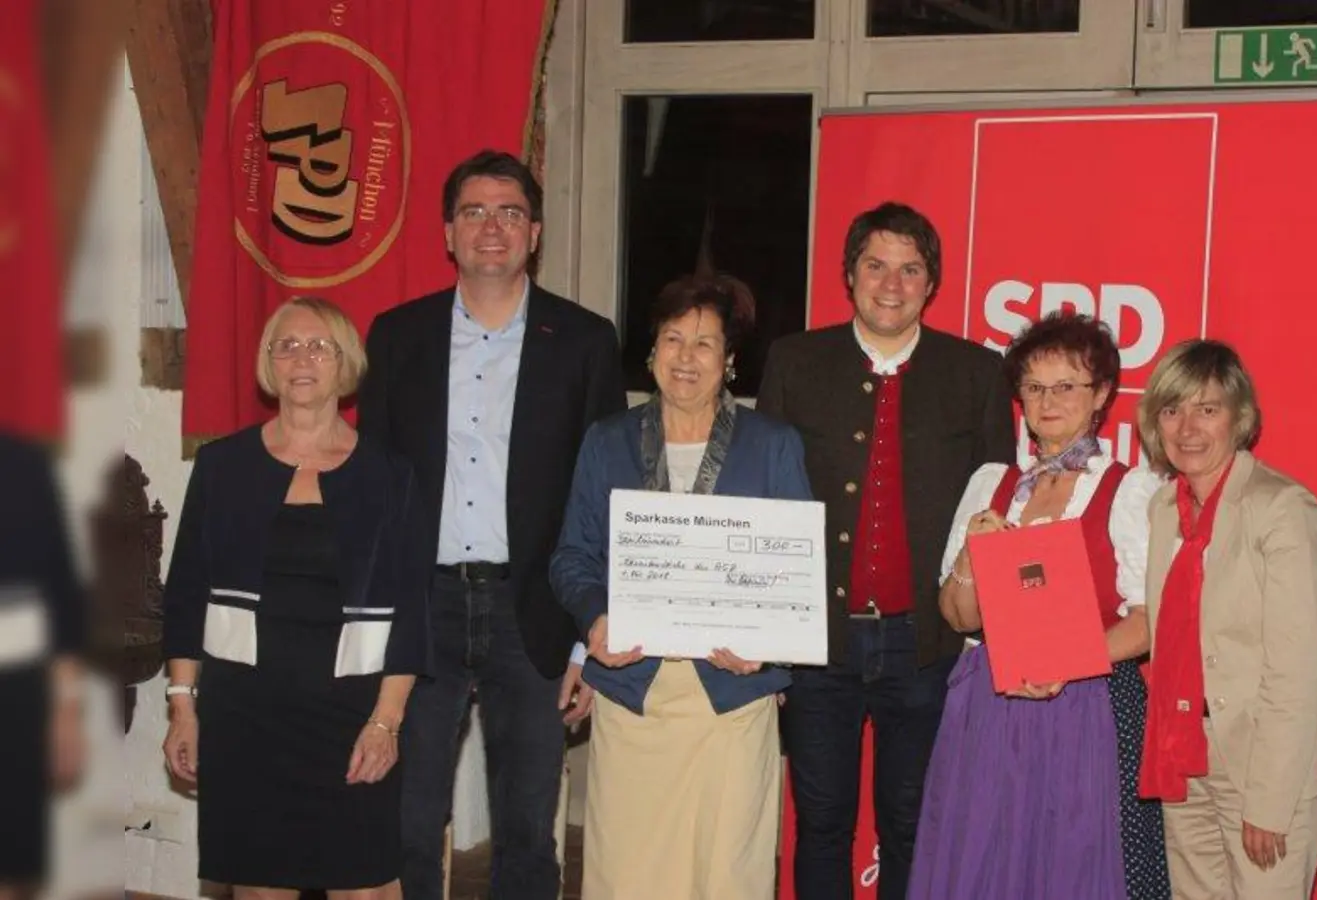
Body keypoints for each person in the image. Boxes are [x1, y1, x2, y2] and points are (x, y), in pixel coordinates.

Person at [358, 149, 626, 900]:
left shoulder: (583, 340)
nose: (491, 227)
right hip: (423, 611)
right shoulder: (397, 336)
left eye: (510, 212)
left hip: (532, 612)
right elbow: (373, 488)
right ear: (448, 233)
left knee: (526, 829)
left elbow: (603, 498)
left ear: (534, 232)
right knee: (406, 822)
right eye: (474, 211)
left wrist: (586, 637)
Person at [758, 201, 1015, 899]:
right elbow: (763, 501)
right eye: (876, 265)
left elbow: (999, 510)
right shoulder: (794, 361)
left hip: (924, 646)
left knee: (912, 824)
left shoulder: (977, 373)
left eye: (910, 269)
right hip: (820, 644)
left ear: (931, 284)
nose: (892, 284)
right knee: (822, 824)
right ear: (849, 275)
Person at [550, 272, 811, 899]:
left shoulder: (773, 445)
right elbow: (572, 556)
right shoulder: (608, 440)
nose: (686, 358)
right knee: (630, 874)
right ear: (651, 353)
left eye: (704, 344)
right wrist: (592, 625)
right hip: (633, 690)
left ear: (729, 362)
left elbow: (796, 573)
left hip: (731, 696)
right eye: (672, 340)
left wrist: (770, 644)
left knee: (726, 874)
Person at [160, 297, 431, 898]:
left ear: (345, 363)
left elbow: (412, 612)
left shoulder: (390, 475)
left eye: (318, 346)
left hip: (354, 718)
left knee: (367, 886)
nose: (301, 358)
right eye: (286, 345)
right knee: (262, 886)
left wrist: (386, 723)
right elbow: (187, 593)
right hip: (245, 721)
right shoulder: (222, 466)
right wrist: (183, 707)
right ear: (268, 364)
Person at [909, 312, 1170, 899]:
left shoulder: (1128, 489)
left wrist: (1066, 659)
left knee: (1073, 865)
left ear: (1101, 394)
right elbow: (959, 618)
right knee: (981, 862)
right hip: (988, 703)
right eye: (1034, 387)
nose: (1048, 401)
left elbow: (1149, 622)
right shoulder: (991, 483)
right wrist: (971, 560)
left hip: (1085, 708)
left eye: (1066, 386)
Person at [1136, 339, 1317, 899]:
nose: (1188, 428)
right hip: (1184, 751)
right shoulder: (1161, 510)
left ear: (1239, 417)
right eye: (1172, 410)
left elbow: (1296, 673)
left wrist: (1269, 802)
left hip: (1260, 765)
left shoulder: (1282, 508)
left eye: (1208, 408)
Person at [0, 433, 86, 900]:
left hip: (16, 704)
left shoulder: (25, 468)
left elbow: (61, 599)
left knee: (12, 868)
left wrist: (66, 714)